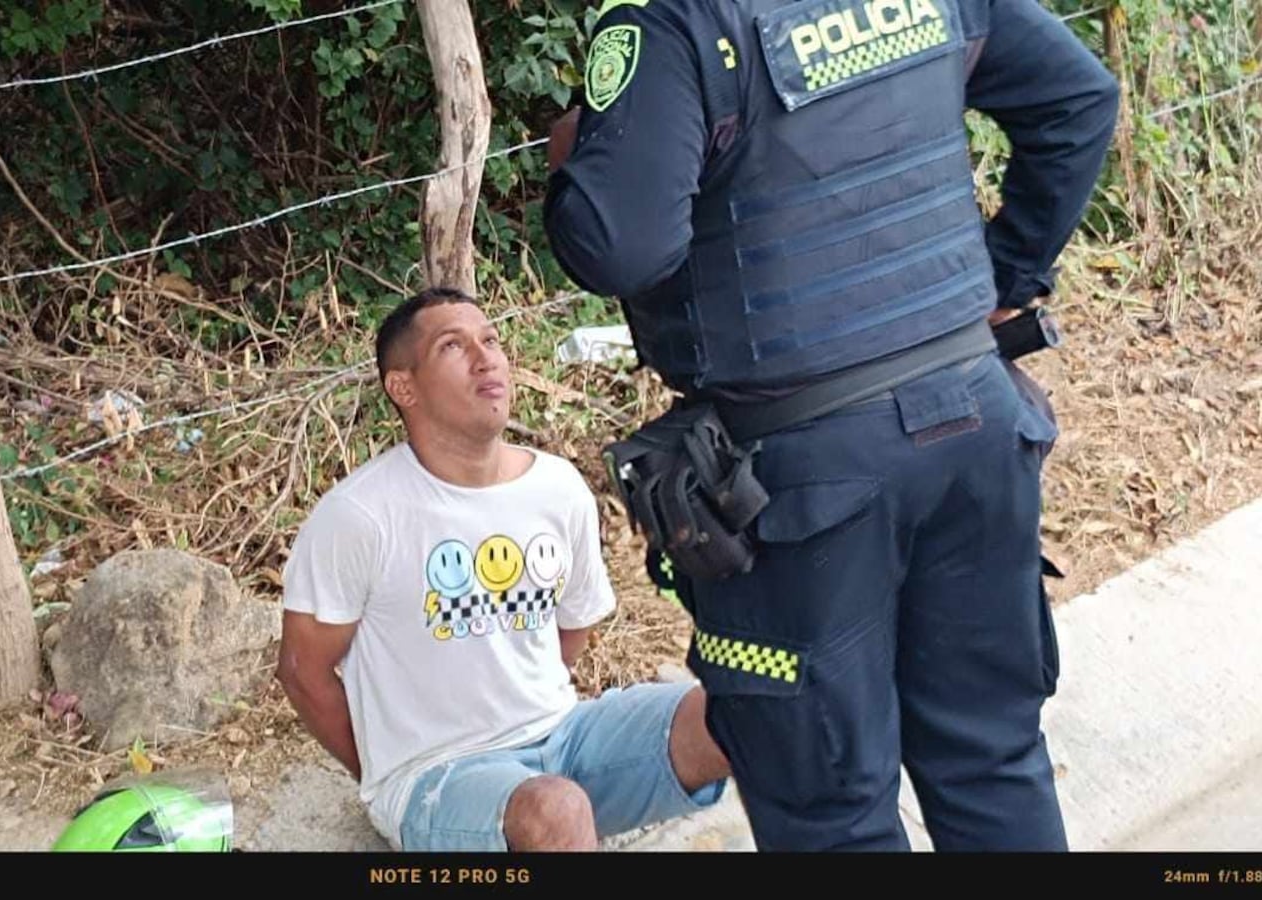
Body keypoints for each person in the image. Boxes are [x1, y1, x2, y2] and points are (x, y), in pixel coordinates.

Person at [542, 0, 1119, 852]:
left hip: (802, 480)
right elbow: (1080, 100)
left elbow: (620, 248)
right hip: (975, 426)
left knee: (829, 809)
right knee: (990, 760)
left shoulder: (676, 24)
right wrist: (1006, 276)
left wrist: (580, 159)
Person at [275, 287, 731, 852]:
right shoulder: (363, 515)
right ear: (403, 387)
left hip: (565, 738)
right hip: (441, 774)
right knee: (556, 811)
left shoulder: (556, 486)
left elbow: (573, 625)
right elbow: (302, 669)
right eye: (452, 345)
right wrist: (384, 774)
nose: (486, 356)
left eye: (490, 339)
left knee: (735, 709)